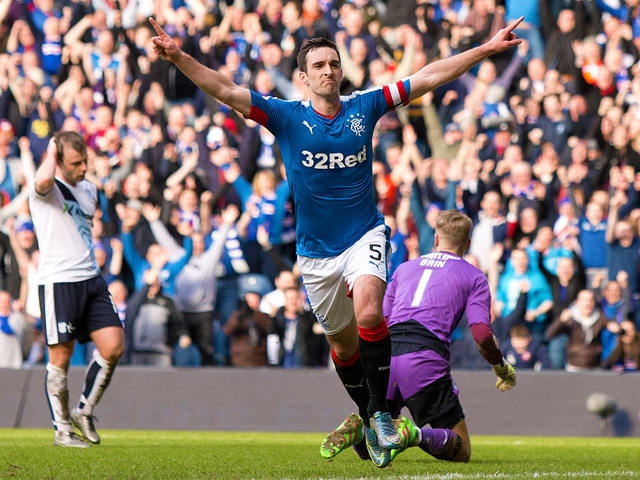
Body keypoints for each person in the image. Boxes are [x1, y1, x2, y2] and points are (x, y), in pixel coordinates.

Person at [149, 15, 523, 468]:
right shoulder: (285, 116)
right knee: (343, 349)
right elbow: (225, 90)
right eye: (319, 65)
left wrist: (484, 49)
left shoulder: (365, 107)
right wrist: (179, 56)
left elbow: (426, 76)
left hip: (364, 234)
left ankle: (382, 414)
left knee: (370, 310)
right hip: (315, 255)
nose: (329, 70)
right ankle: (368, 415)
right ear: (303, 77)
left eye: (334, 63)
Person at [325, 210, 517, 465]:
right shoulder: (474, 276)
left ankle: (361, 432)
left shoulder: (405, 269)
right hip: (424, 359)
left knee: (377, 446)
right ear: (468, 243)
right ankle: (413, 434)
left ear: (435, 239)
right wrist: (500, 367)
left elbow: (382, 318)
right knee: (462, 450)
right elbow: (482, 335)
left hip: (386, 357)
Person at [28, 131, 125, 448]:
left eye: (85, 161)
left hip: (92, 279)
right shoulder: (46, 189)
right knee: (61, 357)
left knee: (113, 347)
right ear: (58, 160)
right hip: (59, 281)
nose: (84, 168)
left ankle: (84, 410)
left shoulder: (88, 189)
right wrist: (52, 148)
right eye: (76, 163)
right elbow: (43, 180)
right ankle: (62, 430)